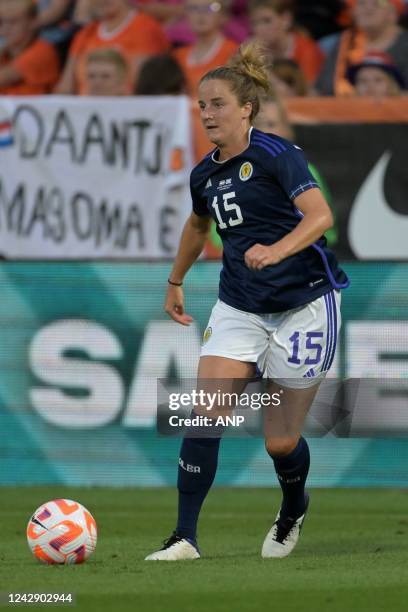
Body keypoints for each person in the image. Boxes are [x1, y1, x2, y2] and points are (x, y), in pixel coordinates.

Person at [145, 42, 349, 561]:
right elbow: (198, 225)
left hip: (304, 303)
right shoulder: (204, 174)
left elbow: (321, 217)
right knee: (204, 414)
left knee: (279, 442)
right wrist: (175, 280)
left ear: (245, 109)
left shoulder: (279, 154)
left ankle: (292, 508)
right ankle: (185, 537)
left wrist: (276, 250)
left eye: (216, 104)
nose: (207, 114)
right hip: (239, 305)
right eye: (201, 106)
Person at [55, 0, 169, 95]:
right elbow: (65, 87)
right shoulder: (85, 33)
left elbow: (141, 85)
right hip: (86, 110)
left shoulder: (145, 28)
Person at [316, 0, 408, 96]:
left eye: (378, 3)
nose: (367, 8)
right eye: (361, 3)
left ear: (393, 14)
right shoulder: (345, 42)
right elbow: (322, 89)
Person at [249, 0, 324, 86]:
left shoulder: (307, 51)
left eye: (267, 21)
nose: (259, 29)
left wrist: (260, 67)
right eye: (254, 23)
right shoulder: (251, 50)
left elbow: (305, 95)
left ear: (286, 19)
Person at [173, 0, 238, 99]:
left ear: (224, 15)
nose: (200, 13)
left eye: (210, 7)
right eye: (193, 8)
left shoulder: (234, 53)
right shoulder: (178, 56)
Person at [0, 0, 60, 95]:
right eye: (1, 22)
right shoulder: (6, 53)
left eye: (13, 22)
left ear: (32, 22)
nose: (5, 29)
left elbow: (3, 78)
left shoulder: (42, 50)